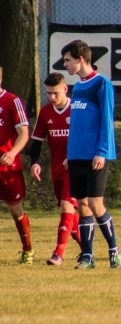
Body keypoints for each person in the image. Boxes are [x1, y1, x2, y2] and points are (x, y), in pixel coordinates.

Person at [61, 40, 121, 269]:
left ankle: (114, 250)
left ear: (81, 59)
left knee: (97, 204)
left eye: (68, 60)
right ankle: (87, 256)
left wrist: (102, 152)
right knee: (82, 205)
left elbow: (106, 121)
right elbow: (78, 126)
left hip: (95, 155)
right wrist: (70, 153)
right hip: (77, 156)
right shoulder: (78, 86)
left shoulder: (101, 85)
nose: (65, 65)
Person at [30, 72, 82, 266]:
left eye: (55, 93)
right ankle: (86, 248)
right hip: (57, 169)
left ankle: (58, 253)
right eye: (49, 93)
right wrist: (35, 162)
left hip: (76, 168)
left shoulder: (77, 110)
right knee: (70, 213)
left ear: (65, 89)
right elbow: (37, 141)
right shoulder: (45, 112)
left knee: (66, 207)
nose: (52, 97)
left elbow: (87, 138)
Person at [0, 67, 33, 264]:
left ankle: (27, 249)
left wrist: (12, 153)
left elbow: (24, 133)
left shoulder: (12, 101)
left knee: (15, 210)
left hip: (7, 168)